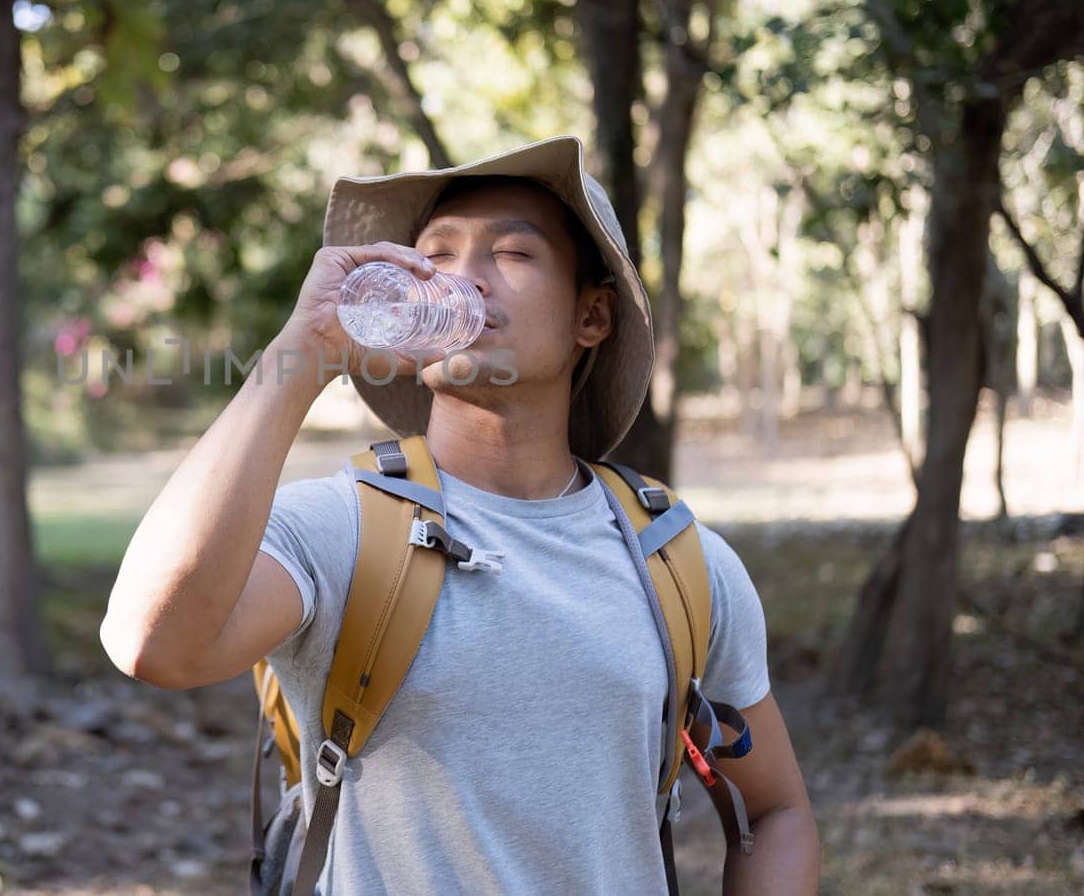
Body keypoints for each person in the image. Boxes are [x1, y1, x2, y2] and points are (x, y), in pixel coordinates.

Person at [100, 135, 820, 893]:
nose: (463, 279)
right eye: (435, 255)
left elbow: (773, 812)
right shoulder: (339, 530)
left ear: (593, 316)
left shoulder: (680, 562)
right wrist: (302, 352)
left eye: (512, 253)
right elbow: (152, 643)